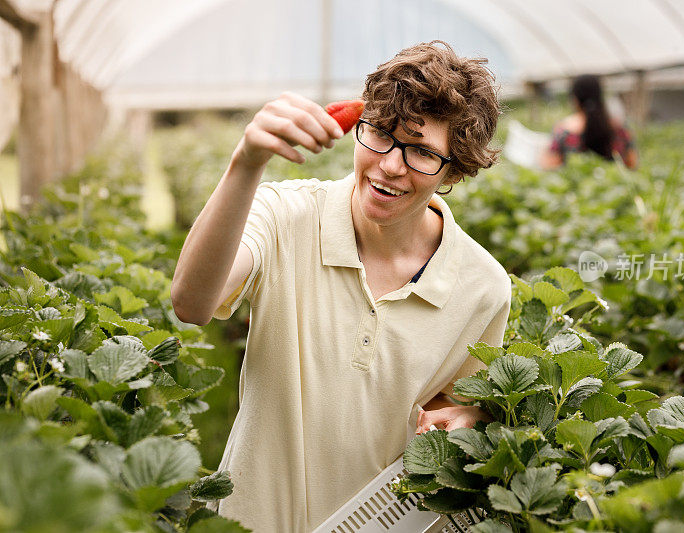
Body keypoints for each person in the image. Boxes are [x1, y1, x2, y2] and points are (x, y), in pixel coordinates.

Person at [170, 40, 511, 532]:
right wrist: (246, 163)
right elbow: (192, 302)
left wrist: (466, 420)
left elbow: (456, 408)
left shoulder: (483, 289)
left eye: (421, 152)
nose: (390, 166)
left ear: (454, 168)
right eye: (380, 134)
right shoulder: (284, 214)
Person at [540, 74, 638, 169]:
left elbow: (550, 165)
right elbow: (632, 164)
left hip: (575, 185)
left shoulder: (564, 131)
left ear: (575, 99)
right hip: (612, 184)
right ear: (600, 96)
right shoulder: (619, 129)